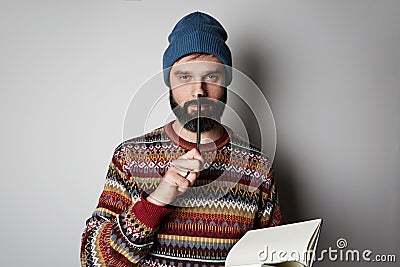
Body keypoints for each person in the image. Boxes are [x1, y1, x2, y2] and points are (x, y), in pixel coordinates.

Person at [81, 11, 282, 267]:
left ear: (226, 82)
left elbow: (276, 259)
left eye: (212, 76)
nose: (199, 90)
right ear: (169, 82)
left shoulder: (258, 167)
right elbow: (92, 260)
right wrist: (156, 202)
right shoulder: (130, 157)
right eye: (184, 77)